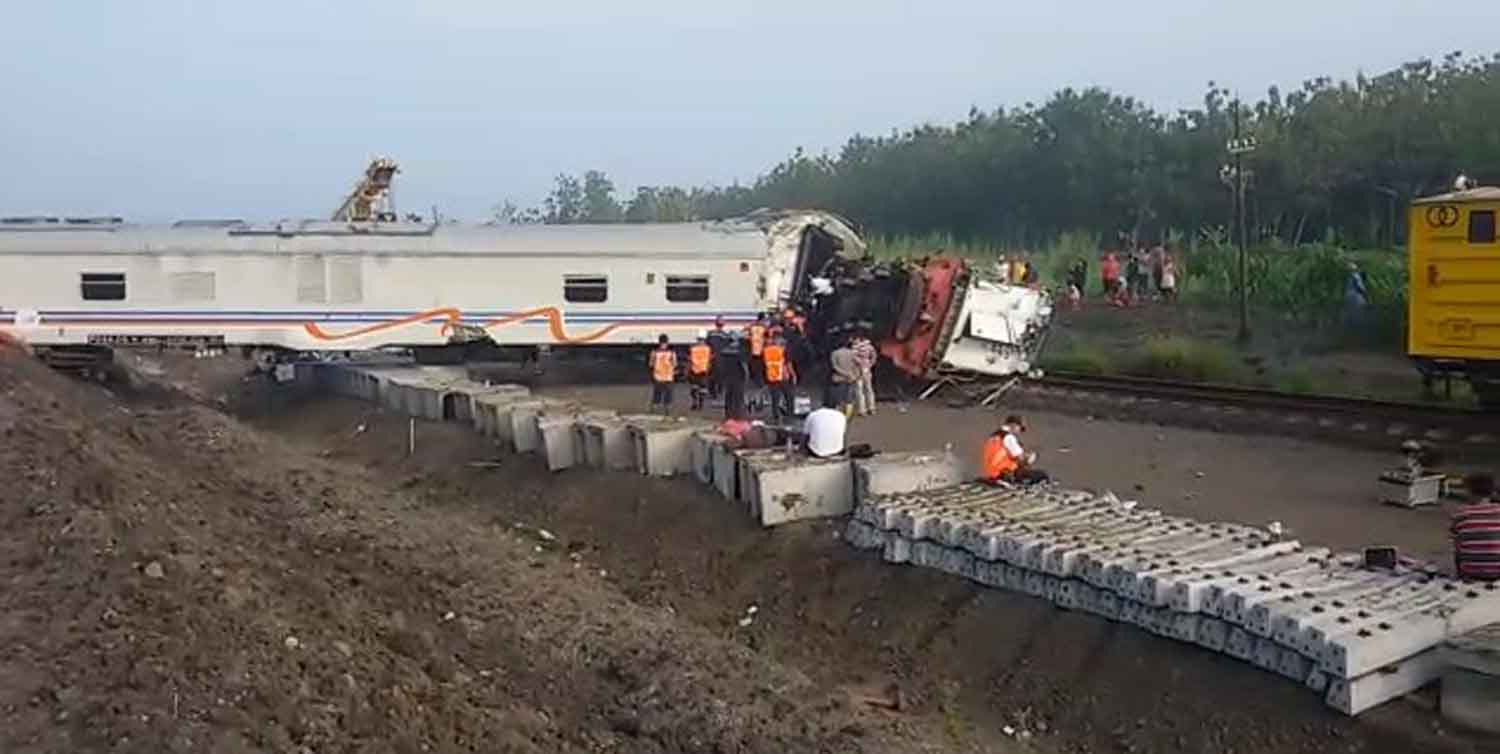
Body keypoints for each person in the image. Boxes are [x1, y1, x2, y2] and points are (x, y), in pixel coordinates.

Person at [1453, 473, 1500, 582]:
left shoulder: (1461, 514)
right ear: (1493, 492)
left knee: (1459, 544)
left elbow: (1458, 547)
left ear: (1469, 492)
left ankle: (1462, 578)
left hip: (1471, 572)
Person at [979, 415, 1048, 485]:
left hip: (991, 473)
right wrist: (1031, 458)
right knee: (1041, 475)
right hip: (1004, 474)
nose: (1019, 432)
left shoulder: (993, 437)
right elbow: (1021, 460)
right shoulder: (1009, 438)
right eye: (1020, 429)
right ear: (1013, 425)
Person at [762, 330, 797, 421]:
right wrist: (793, 374)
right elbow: (788, 364)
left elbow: (764, 364)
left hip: (771, 377)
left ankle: (776, 416)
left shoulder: (767, 350)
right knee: (789, 396)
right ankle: (790, 416)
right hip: (783, 376)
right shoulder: (783, 350)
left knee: (775, 399)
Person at [800, 394, 848, 458]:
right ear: (837, 406)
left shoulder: (813, 415)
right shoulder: (842, 416)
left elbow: (805, 436)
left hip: (816, 453)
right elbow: (844, 436)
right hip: (837, 451)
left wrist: (801, 449)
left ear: (822, 404)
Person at [714, 333, 749, 420]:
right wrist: (746, 376)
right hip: (738, 377)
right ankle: (737, 415)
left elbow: (720, 366)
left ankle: (728, 415)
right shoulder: (740, 352)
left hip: (728, 377)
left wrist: (721, 378)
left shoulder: (724, 351)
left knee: (728, 397)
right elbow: (743, 365)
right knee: (738, 398)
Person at [828, 337, 860, 416]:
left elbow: (834, 366)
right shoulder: (852, 353)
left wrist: (843, 373)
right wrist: (854, 374)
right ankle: (847, 416)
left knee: (838, 398)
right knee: (849, 399)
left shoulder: (834, 353)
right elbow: (858, 363)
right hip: (851, 378)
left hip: (838, 378)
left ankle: (838, 415)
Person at [648, 334, 677, 415]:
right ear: (667, 342)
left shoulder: (654, 352)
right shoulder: (671, 352)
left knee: (657, 394)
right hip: (668, 376)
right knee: (668, 395)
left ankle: (654, 411)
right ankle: (667, 411)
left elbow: (651, 364)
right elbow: (674, 364)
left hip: (658, 376)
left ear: (659, 341)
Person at [851, 331, 878, 416]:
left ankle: (862, 410)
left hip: (857, 369)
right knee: (869, 388)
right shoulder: (869, 346)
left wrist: (860, 363)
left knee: (859, 390)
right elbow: (874, 355)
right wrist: (870, 363)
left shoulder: (855, 347)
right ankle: (872, 408)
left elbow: (853, 357)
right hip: (867, 368)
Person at [705, 316, 731, 399]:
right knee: (716, 376)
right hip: (717, 358)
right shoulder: (725, 335)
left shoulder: (711, 334)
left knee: (715, 376)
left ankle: (714, 392)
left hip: (716, 357)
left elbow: (707, 344)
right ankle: (716, 392)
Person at [687, 331, 712, 411]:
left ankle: (695, 403)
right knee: (702, 389)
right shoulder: (708, 348)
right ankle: (700, 404)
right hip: (703, 370)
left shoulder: (693, 348)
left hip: (695, 370)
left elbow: (690, 359)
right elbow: (710, 359)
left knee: (695, 388)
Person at [1343, 261, 1369, 328]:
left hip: (1348, 297)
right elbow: (1360, 288)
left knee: (1350, 314)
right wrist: (1366, 295)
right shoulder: (1356, 277)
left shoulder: (1349, 278)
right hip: (1356, 297)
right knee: (1358, 315)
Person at [746, 313, 769, 384]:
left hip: (753, 349)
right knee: (760, 367)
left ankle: (756, 380)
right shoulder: (764, 327)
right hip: (761, 349)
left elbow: (747, 335)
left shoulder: (752, 326)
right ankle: (759, 381)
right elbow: (767, 337)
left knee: (755, 366)